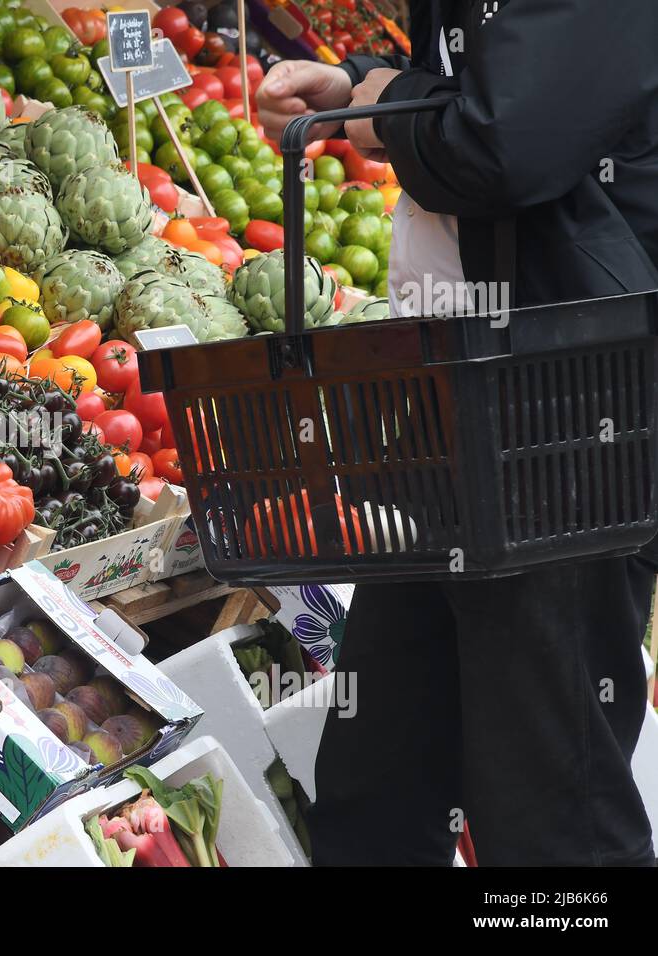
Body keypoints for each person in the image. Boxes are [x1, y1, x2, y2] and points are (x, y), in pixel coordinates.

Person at [255, 0, 658, 865]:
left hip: (563, 410)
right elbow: (482, 79)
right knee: (381, 776)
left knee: (554, 811)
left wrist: (381, 98)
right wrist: (362, 88)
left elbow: (506, 141)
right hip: (458, 395)